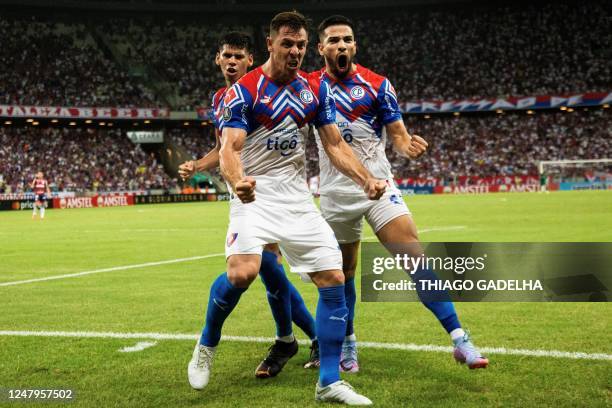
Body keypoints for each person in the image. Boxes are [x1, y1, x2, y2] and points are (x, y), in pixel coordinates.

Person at [187, 11, 388, 405]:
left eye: (300, 45)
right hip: (254, 194)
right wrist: (237, 180)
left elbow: (334, 144)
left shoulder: (313, 92)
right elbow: (230, 148)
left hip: (297, 197)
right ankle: (207, 343)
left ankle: (329, 382)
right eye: (287, 44)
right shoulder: (243, 91)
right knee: (243, 273)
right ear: (270, 44)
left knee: (332, 278)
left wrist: (364, 177)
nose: (295, 52)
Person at [312, 15, 489, 372]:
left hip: (378, 187)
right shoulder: (309, 86)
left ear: (355, 45)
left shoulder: (377, 84)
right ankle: (348, 343)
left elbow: (398, 133)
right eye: (333, 40)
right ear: (321, 48)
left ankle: (459, 339)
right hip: (335, 193)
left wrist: (407, 146)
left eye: (347, 39)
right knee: (343, 273)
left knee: (415, 258)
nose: (341, 45)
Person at [179, 32, 320, 377]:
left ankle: (295, 340)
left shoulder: (266, 90)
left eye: (238, 56)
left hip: (277, 194)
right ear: (217, 59)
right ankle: (299, 339)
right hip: (246, 196)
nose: (231, 61)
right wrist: (198, 165)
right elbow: (223, 147)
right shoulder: (220, 99)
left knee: (270, 273)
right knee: (262, 273)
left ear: (250, 61)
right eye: (226, 55)